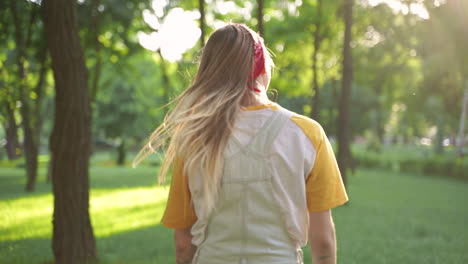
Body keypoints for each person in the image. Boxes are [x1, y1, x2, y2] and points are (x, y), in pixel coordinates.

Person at [134, 23, 348, 264]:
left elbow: (184, 244)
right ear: (264, 68)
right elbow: (324, 243)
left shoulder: (194, 137)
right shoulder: (307, 133)